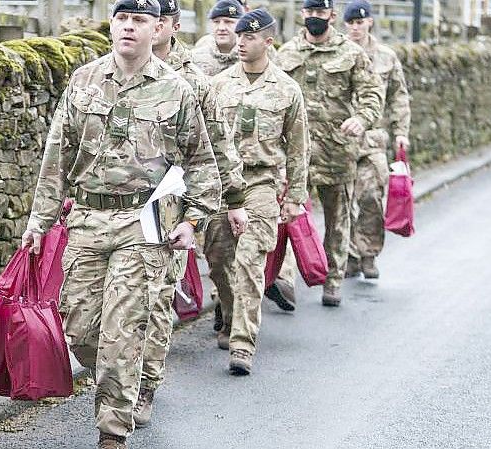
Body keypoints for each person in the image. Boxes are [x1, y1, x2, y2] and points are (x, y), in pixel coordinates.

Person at [21, 0, 222, 446]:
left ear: (158, 30)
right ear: (112, 25)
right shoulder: (84, 81)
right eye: (123, 19)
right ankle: (125, 377)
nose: (129, 27)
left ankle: (112, 431)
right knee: (80, 327)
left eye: (140, 21)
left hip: (143, 224)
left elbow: (203, 165)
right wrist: (39, 221)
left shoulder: (177, 90)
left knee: (122, 329)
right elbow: (56, 159)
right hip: (88, 220)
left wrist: (193, 220)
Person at [134, 0, 247, 428]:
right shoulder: (114, 71)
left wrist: (233, 200)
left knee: (160, 296)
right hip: (121, 207)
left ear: (172, 25)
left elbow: (219, 145)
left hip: (175, 206)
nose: (152, 25)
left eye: (160, 18)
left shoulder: (194, 80)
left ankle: (144, 387)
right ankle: (121, 374)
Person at [204, 8, 309, 375]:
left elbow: (298, 148)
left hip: (262, 183)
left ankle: (243, 343)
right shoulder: (219, 85)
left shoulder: (286, 89)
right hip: (220, 184)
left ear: (268, 41)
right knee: (218, 260)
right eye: (239, 35)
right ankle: (231, 316)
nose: (241, 42)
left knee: (250, 263)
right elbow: (205, 140)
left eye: (249, 37)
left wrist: (295, 196)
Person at [277, 0, 382, 307]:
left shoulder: (351, 53)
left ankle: (333, 280)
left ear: (331, 16)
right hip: (294, 156)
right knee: (284, 217)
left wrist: (361, 119)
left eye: (320, 13)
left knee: (337, 220)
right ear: (302, 15)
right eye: (309, 13)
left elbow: (372, 94)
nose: (314, 18)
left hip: (337, 152)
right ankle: (283, 279)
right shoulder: (286, 54)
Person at [343, 0, 411, 279]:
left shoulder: (386, 57)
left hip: (373, 140)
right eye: (351, 23)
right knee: (342, 202)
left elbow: (398, 95)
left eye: (360, 22)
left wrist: (401, 132)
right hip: (341, 139)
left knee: (371, 196)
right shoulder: (338, 53)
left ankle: (368, 252)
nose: (355, 28)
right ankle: (347, 255)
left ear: (370, 21)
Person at [192, 0, 246, 76]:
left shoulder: (251, 56)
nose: (221, 28)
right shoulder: (195, 57)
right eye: (216, 22)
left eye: (228, 22)